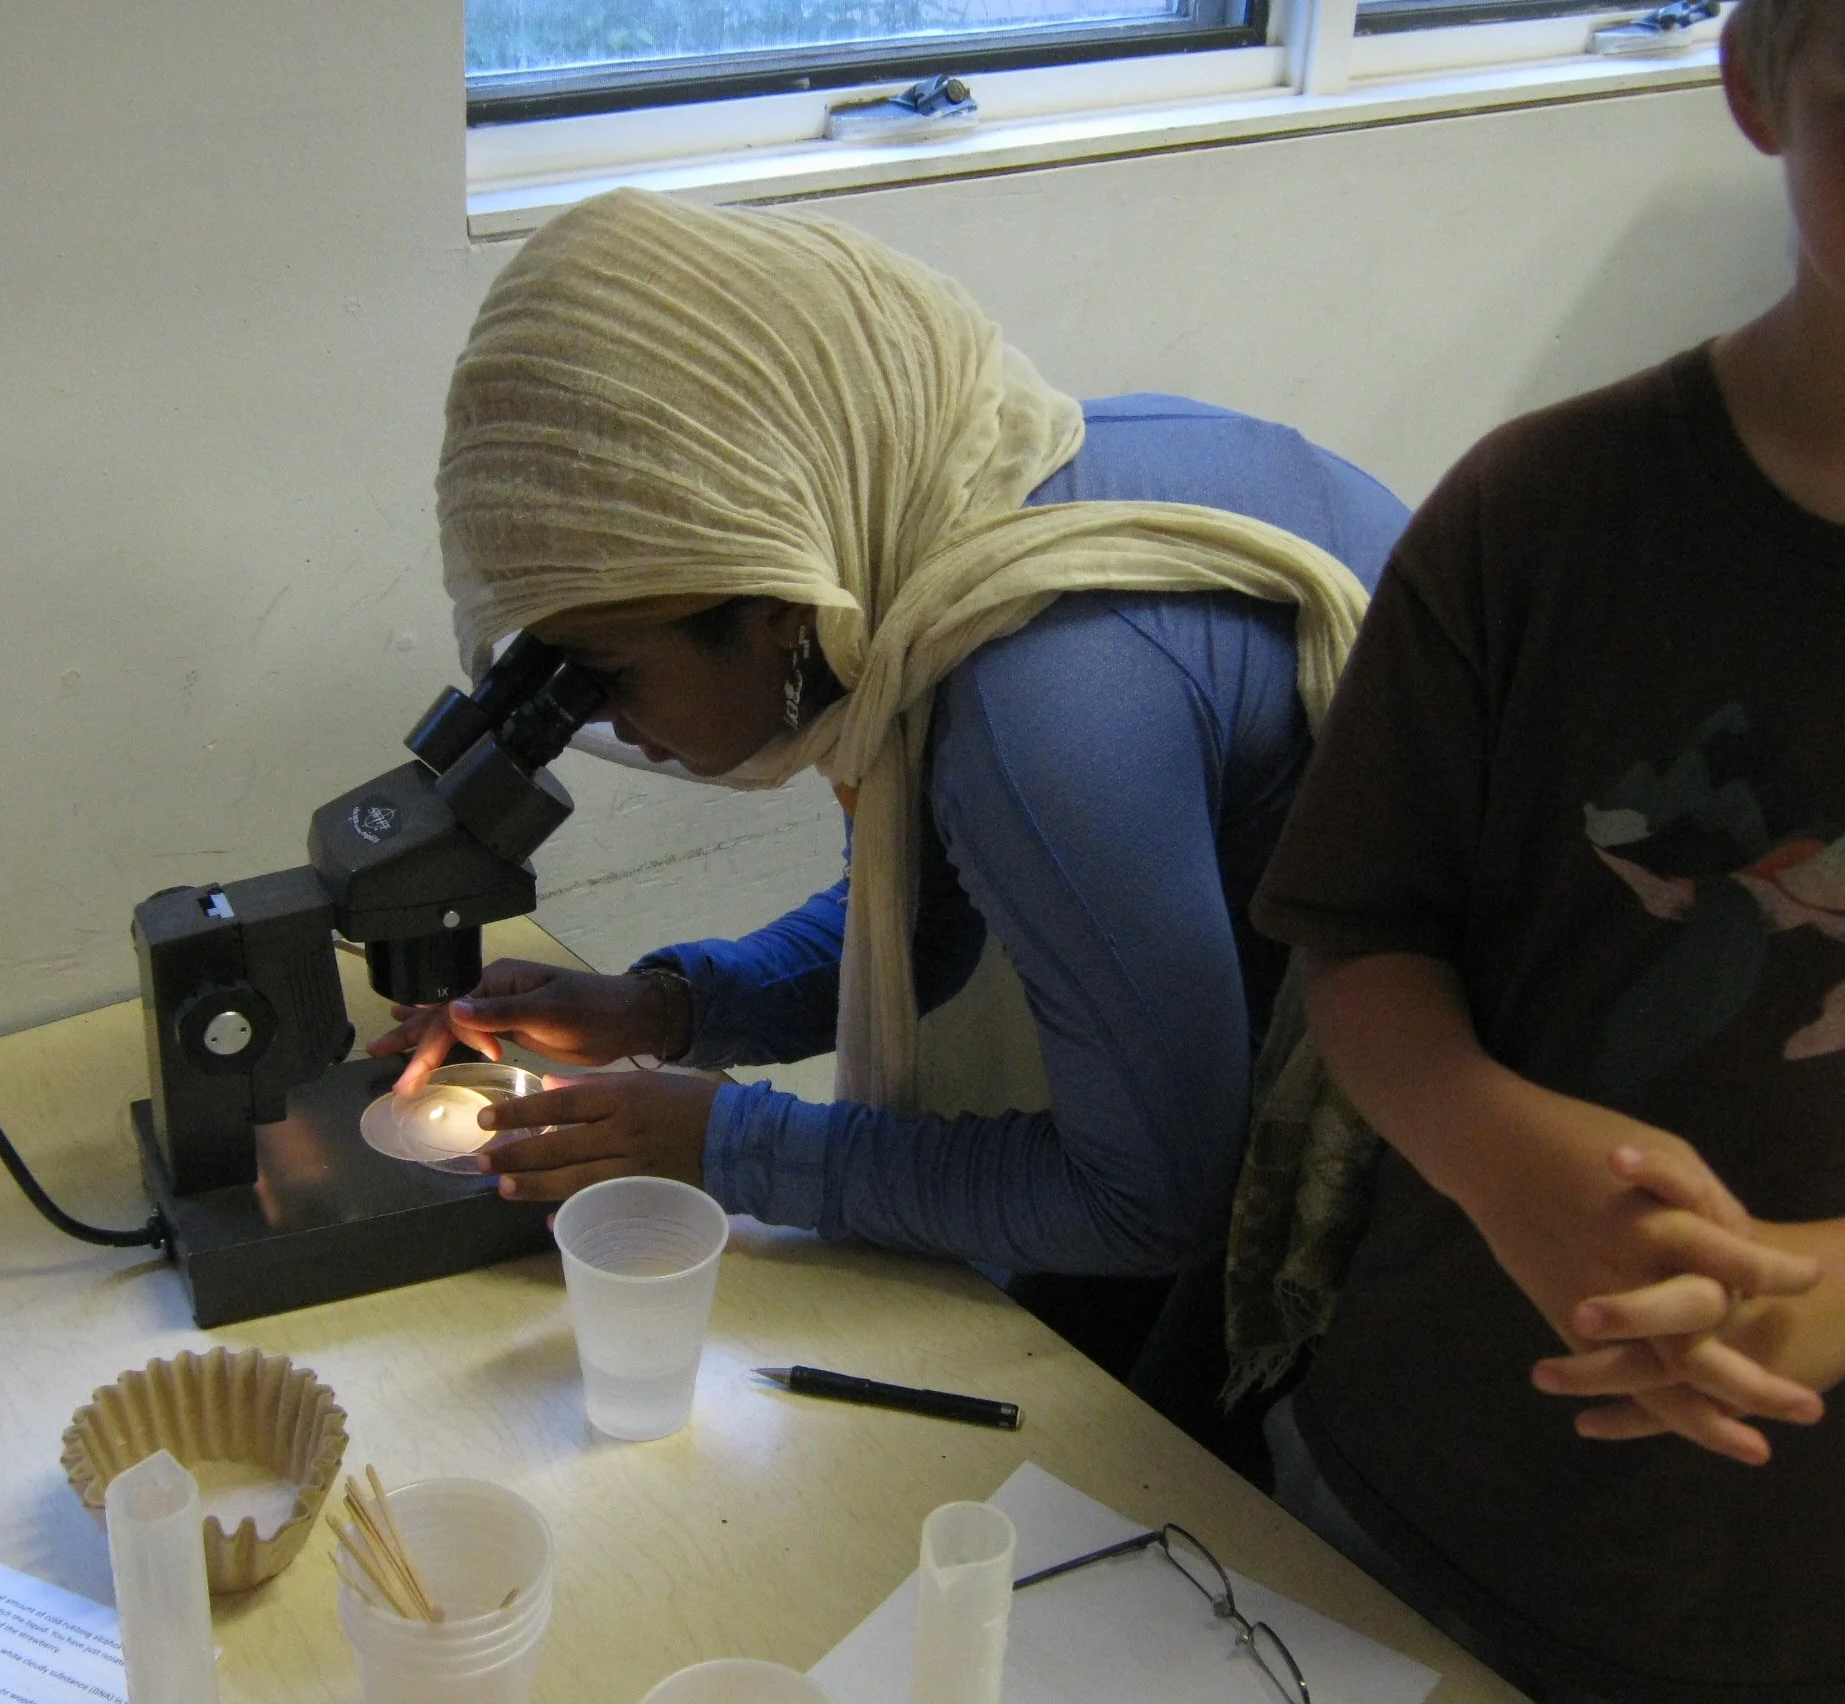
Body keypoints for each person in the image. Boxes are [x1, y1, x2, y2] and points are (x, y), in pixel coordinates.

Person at [374, 187, 1405, 1443]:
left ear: (775, 592)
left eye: (612, 677)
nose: (617, 733)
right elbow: (932, 923)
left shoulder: (1045, 704)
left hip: (1440, 1168)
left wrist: (728, 1145)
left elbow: (1154, 1204)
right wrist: (671, 1010)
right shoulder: (990, 503)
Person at [1248, 1, 1845, 1697]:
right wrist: (1497, 1149)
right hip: (1423, 1492)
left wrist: (1819, 1281)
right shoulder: (1542, 511)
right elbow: (1362, 939)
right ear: (1756, 84)